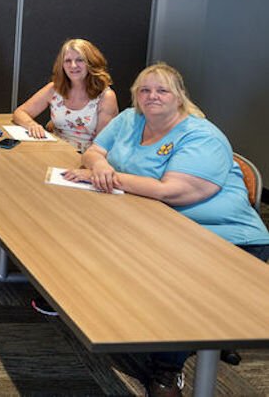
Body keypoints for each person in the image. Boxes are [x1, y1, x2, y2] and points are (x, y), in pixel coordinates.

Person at [64, 62, 269, 397]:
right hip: (161, 226)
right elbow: (95, 151)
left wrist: (108, 178)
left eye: (162, 90)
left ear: (179, 98)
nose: (152, 96)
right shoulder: (131, 119)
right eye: (144, 90)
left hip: (226, 239)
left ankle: (167, 371)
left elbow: (171, 191)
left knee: (179, 291)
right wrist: (99, 166)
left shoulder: (201, 135)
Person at [13, 38, 118, 152]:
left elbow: (102, 146)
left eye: (80, 60)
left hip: (84, 157)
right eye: (68, 61)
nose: (73, 65)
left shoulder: (106, 97)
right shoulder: (54, 88)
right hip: (53, 150)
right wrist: (32, 125)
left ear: (91, 63)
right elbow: (20, 112)